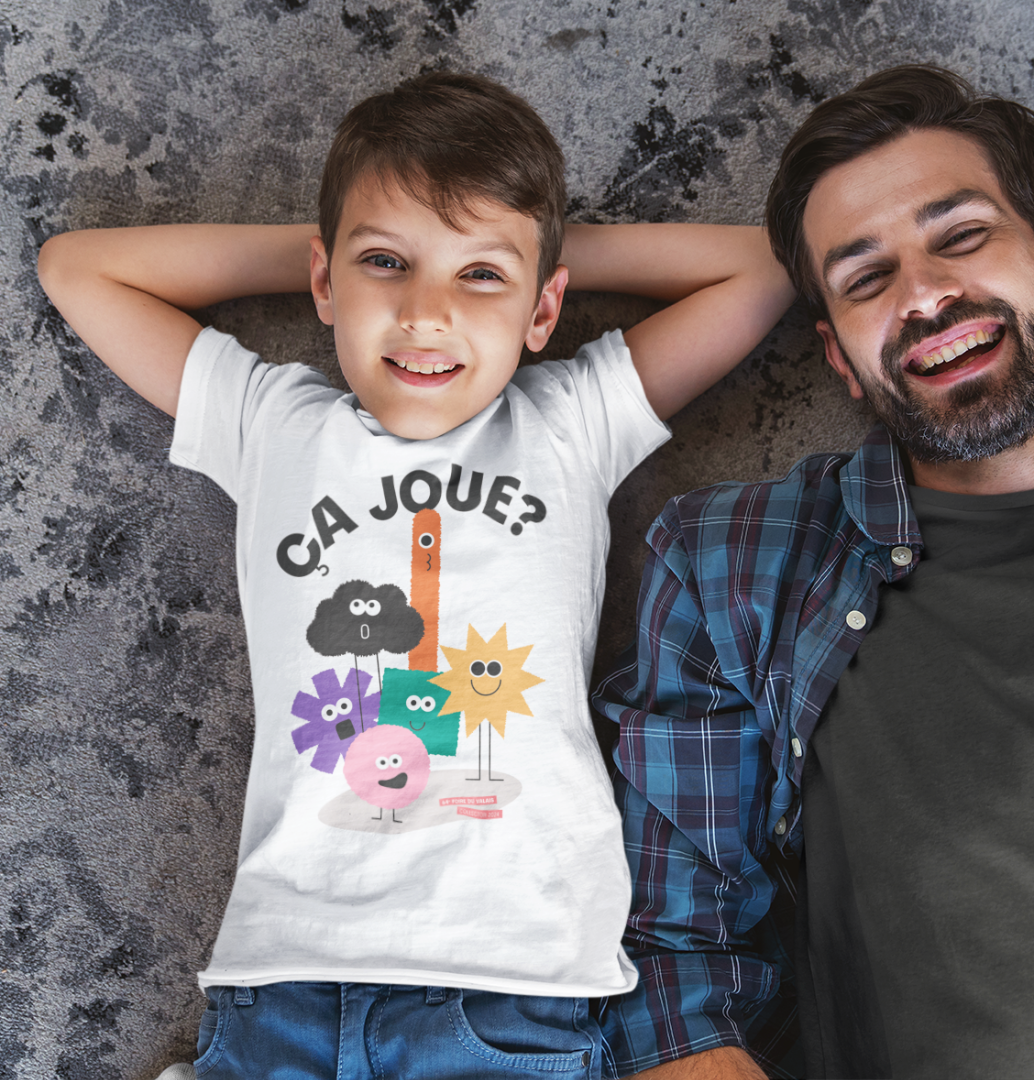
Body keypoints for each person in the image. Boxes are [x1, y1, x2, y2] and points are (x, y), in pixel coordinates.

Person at [37, 71, 793, 1079]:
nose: (426, 313)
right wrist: (366, 239)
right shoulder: (270, 417)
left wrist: (535, 242)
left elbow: (773, 266)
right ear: (322, 281)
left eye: (479, 278)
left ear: (543, 309)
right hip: (284, 978)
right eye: (386, 263)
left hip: (513, 985)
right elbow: (76, 270)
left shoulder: (573, 417)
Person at [593, 64, 1034, 1080]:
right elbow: (677, 968)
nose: (926, 296)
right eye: (865, 279)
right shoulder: (733, 566)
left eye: (961, 236)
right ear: (838, 356)